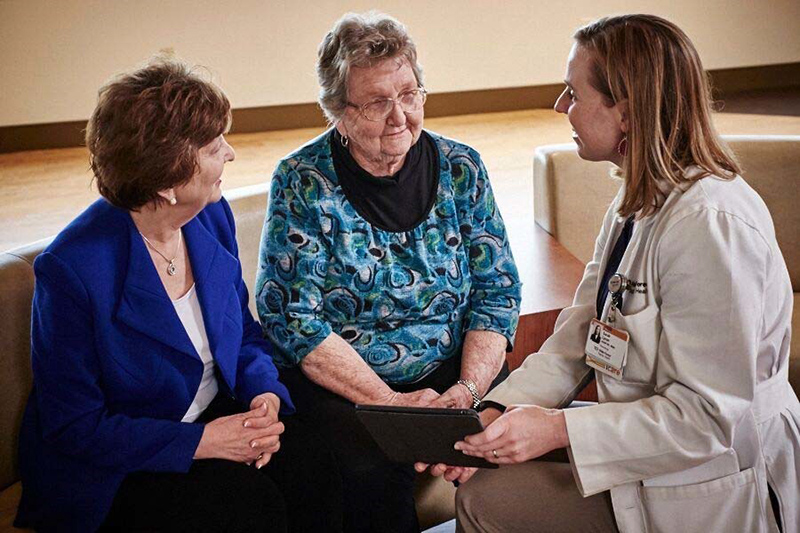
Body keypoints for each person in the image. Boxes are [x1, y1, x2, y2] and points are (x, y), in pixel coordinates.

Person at [424, 14, 799, 533]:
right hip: (642, 463)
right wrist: (492, 413)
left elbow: (708, 420)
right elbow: (580, 334)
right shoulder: (635, 200)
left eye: (572, 93)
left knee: (490, 502)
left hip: (708, 488)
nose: (560, 107)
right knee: (484, 493)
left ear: (625, 111)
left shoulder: (710, 225)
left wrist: (559, 429)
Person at [14, 59, 342, 533]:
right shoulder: (73, 269)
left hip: (214, 414)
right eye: (213, 146)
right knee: (245, 509)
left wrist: (262, 394)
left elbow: (244, 333)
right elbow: (75, 426)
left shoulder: (209, 216)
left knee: (329, 464)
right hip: (124, 463)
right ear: (166, 182)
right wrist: (201, 442)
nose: (229, 153)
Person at [255, 11, 521, 532]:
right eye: (377, 101)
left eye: (409, 93)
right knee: (360, 478)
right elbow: (294, 318)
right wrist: (394, 406)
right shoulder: (302, 181)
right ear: (338, 112)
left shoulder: (461, 167)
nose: (399, 115)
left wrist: (465, 395)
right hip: (348, 385)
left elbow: (498, 290)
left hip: (455, 373)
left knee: (504, 452)